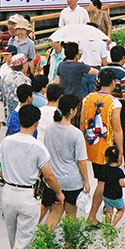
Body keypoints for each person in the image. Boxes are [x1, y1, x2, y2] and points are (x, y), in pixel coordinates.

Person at [0, 104, 63, 249]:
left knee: (13, 238)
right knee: (25, 242)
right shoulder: (37, 146)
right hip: (28, 195)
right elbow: (49, 176)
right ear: (36, 123)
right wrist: (58, 192)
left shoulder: (7, 142)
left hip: (8, 192)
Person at [40, 93, 89, 230]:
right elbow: (81, 161)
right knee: (71, 215)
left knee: (54, 214)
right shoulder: (76, 133)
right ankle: (69, 246)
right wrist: (86, 181)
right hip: (72, 181)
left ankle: (43, 243)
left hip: (54, 180)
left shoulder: (50, 128)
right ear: (73, 110)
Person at [82, 71, 124, 225]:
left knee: (102, 180)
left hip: (89, 145)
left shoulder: (88, 98)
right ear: (113, 82)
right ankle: (92, 217)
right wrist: (120, 151)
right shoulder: (114, 103)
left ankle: (106, 208)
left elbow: (82, 124)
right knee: (102, 182)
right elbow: (117, 130)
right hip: (105, 149)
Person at [98, 145, 125, 227]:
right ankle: (112, 225)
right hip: (116, 196)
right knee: (121, 209)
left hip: (106, 195)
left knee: (109, 211)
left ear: (106, 158)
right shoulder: (119, 171)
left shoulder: (104, 169)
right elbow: (121, 183)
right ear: (118, 158)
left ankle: (107, 226)